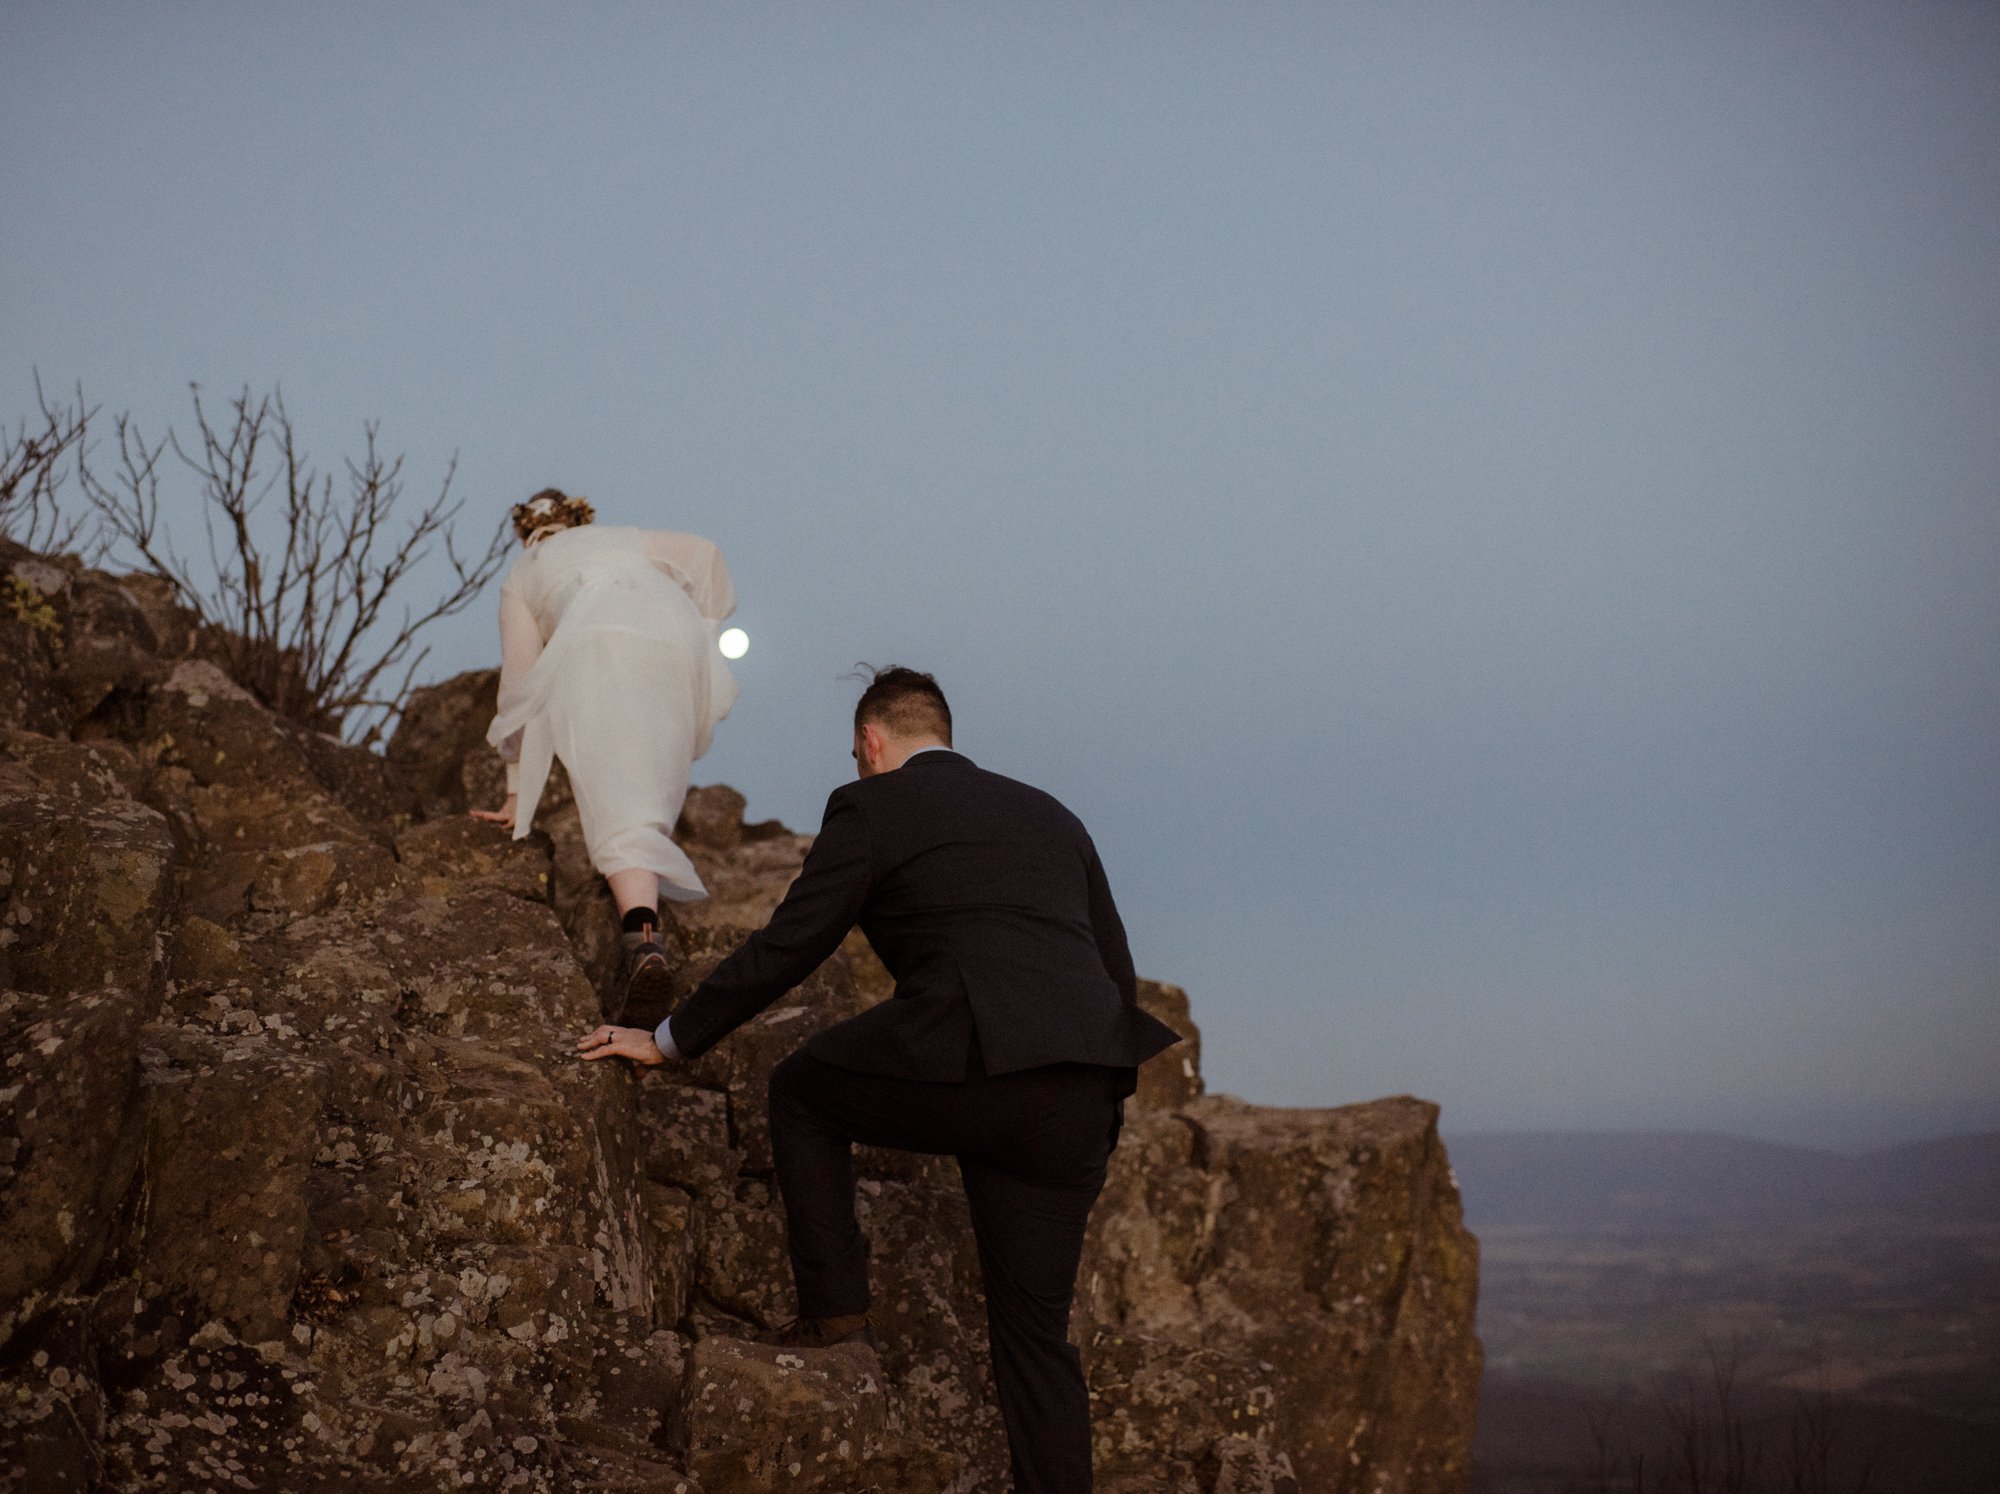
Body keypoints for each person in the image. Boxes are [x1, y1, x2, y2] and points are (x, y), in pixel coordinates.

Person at [577, 667, 1179, 1494]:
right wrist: (1104, 1100)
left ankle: (837, 1319)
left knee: (800, 1091)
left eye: (857, 754)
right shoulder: (1053, 816)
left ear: (871, 743)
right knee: (1036, 1340)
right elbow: (1116, 971)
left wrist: (673, 1041)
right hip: (1080, 1093)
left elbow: (791, 944)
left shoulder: (871, 805)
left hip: (970, 1064)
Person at [473, 488, 739, 1015]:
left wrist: (514, 791)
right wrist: (703, 628)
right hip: (672, 635)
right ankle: (645, 924)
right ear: (577, 520)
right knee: (647, 782)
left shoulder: (524, 571)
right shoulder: (620, 539)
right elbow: (705, 555)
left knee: (616, 801)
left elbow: (518, 688)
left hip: (597, 641)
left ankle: (643, 939)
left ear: (525, 533)